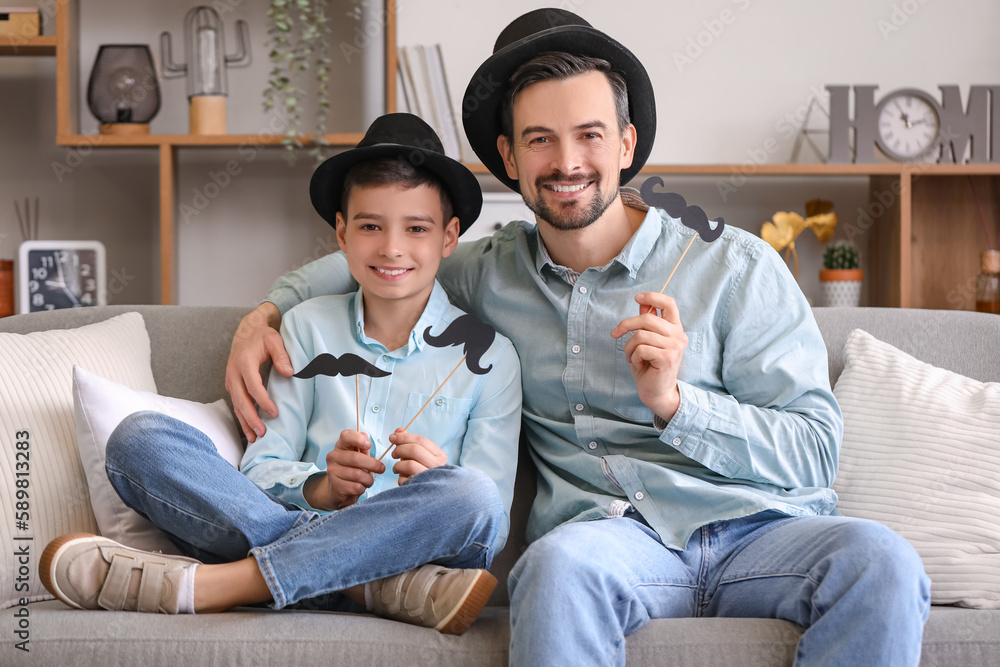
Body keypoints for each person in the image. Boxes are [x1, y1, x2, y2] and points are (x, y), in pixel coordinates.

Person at [225, 9, 931, 666]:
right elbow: (383, 251)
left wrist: (678, 403)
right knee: (556, 568)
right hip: (611, 542)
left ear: (625, 144)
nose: (567, 162)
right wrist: (267, 311)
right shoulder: (487, 270)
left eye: (590, 135)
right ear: (509, 156)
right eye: (540, 139)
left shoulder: (734, 267)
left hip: (762, 534)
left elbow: (815, 450)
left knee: (884, 561)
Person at [39, 113, 522, 635]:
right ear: (341, 231)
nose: (391, 248)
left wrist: (434, 481)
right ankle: (372, 587)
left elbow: (487, 520)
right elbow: (261, 468)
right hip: (406, 571)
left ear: (449, 238)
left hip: (426, 546)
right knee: (138, 438)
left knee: (468, 495)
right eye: (369, 226)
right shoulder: (305, 328)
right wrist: (320, 490)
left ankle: (229, 583)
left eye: (416, 228)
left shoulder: (492, 357)